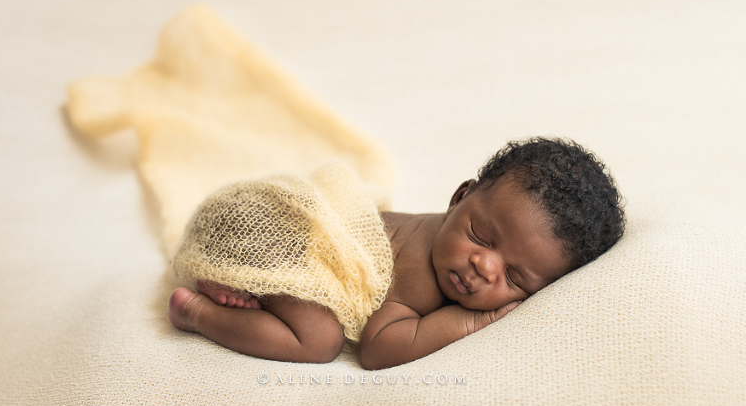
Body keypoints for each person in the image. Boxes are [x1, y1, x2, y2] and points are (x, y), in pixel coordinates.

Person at [168, 137, 625, 369]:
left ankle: (253, 291)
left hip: (262, 226)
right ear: (459, 197)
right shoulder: (424, 274)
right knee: (319, 339)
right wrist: (472, 321)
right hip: (265, 226)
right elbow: (377, 346)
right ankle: (197, 312)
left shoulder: (450, 236)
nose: (483, 266)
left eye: (514, 278)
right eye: (480, 236)